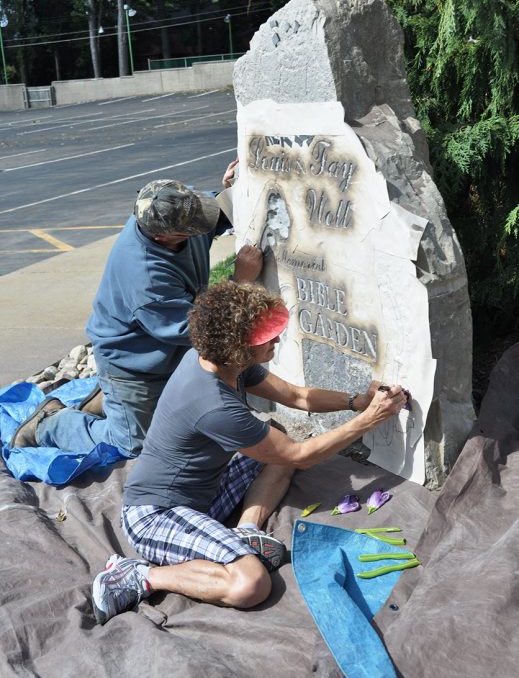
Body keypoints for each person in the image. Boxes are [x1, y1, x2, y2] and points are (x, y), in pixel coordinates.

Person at [91, 280, 409, 625]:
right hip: (156, 514)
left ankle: (245, 530)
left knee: (277, 445)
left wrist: (356, 402)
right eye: (266, 339)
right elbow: (301, 456)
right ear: (237, 348)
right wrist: (369, 419)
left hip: (203, 494)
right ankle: (139, 576)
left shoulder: (222, 364)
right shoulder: (213, 404)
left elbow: (298, 397)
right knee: (251, 584)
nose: (276, 341)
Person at [10, 168, 262, 458]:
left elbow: (216, 213)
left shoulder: (170, 203)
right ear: (164, 237)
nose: (206, 226)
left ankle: (110, 401)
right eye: (196, 226)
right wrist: (241, 281)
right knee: (133, 445)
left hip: (164, 343)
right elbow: (201, 328)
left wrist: (236, 187)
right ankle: (50, 424)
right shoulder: (145, 275)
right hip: (133, 360)